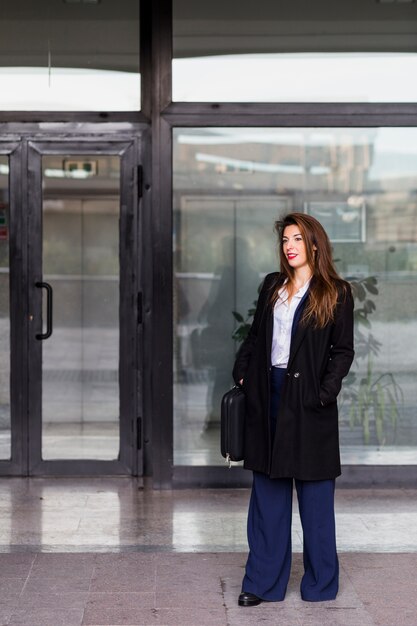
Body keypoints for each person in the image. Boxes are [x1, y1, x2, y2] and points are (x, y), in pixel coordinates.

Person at [232, 212, 354, 606]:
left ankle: (321, 584)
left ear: (314, 244)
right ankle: (262, 583)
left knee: (316, 498)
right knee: (268, 495)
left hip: (310, 400)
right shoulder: (273, 286)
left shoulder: (336, 291)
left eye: (297, 239)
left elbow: (342, 350)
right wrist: (243, 374)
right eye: (286, 239)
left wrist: (325, 392)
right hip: (268, 394)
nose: (289, 246)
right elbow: (254, 337)